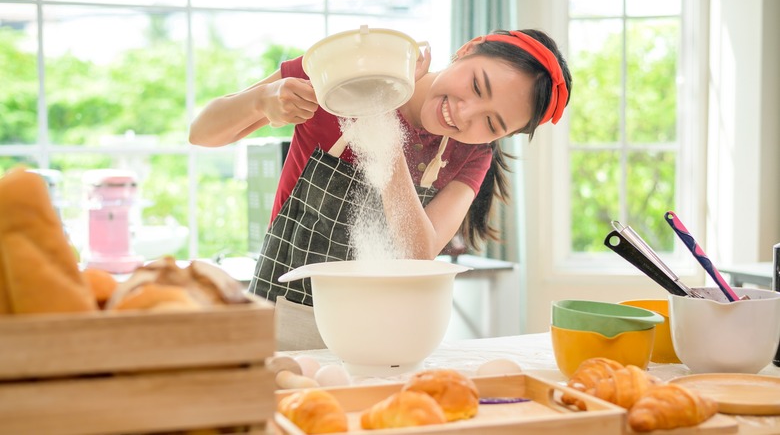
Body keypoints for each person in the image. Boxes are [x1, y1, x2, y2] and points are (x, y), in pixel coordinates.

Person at [189, 28, 572, 350]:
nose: (465, 113)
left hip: (384, 339)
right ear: (467, 50)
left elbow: (418, 252)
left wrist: (377, 115)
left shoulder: (471, 155)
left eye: (491, 123)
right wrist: (262, 101)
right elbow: (202, 132)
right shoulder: (346, 74)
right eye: (475, 85)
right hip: (285, 325)